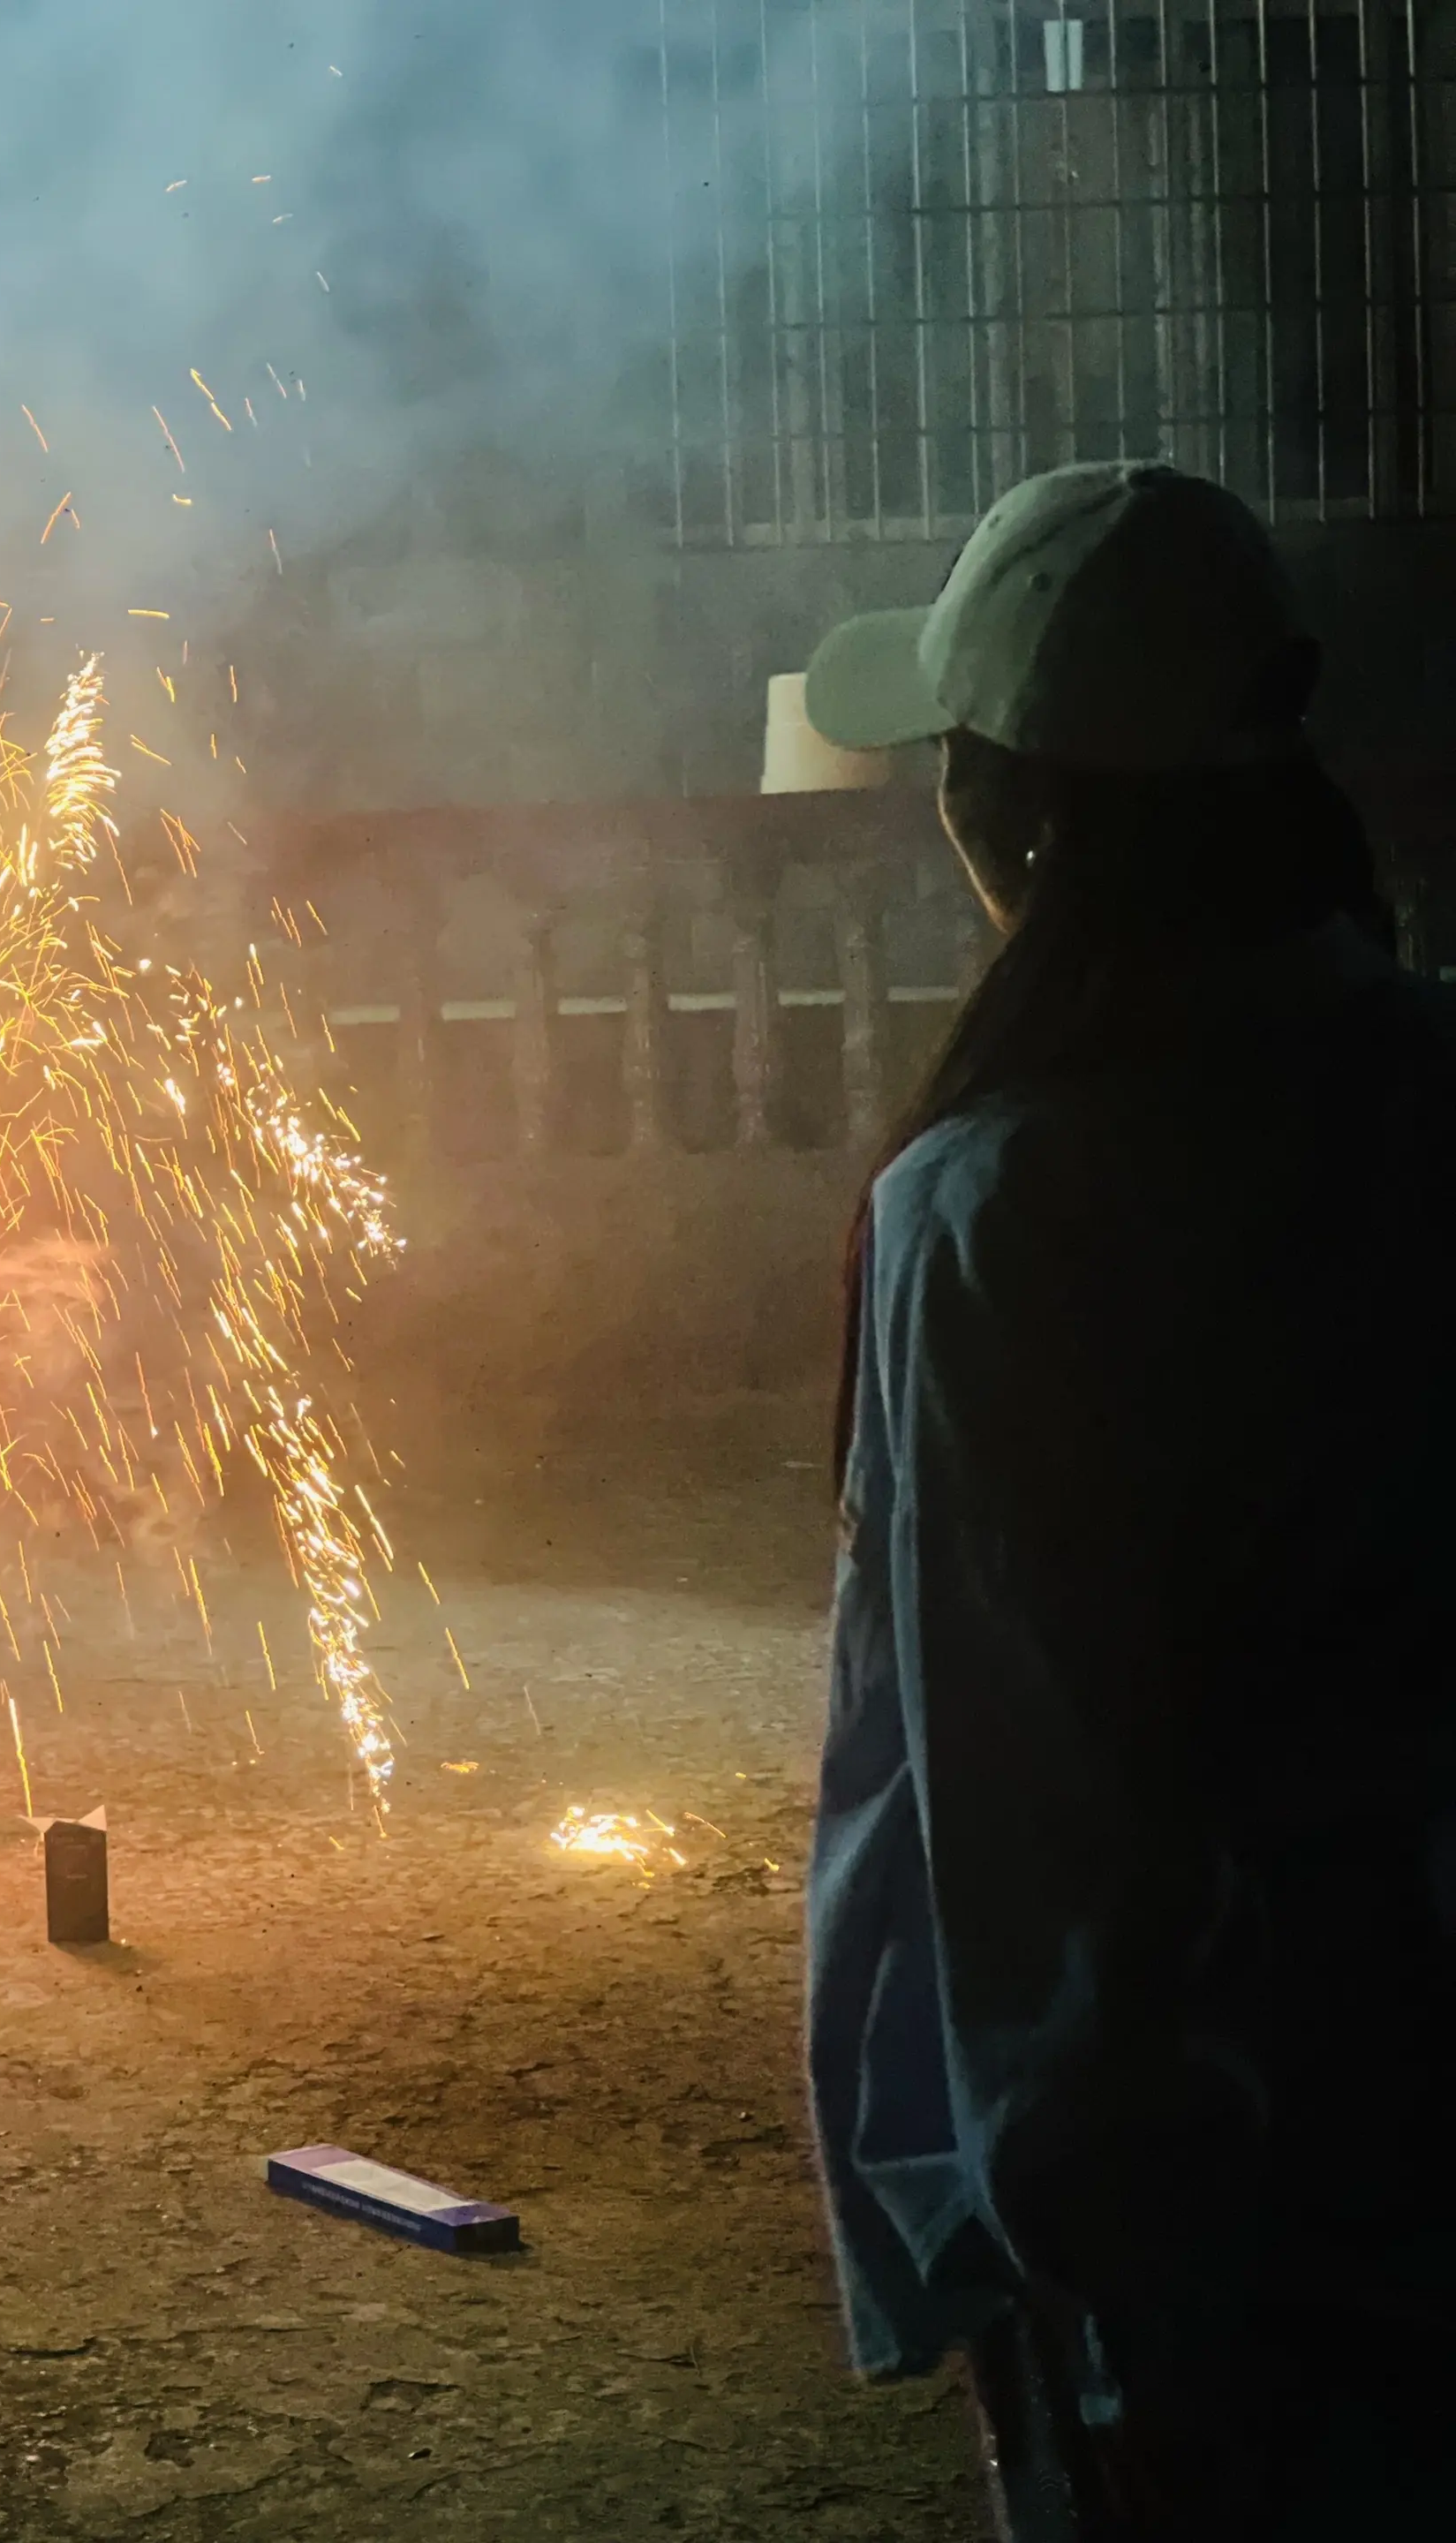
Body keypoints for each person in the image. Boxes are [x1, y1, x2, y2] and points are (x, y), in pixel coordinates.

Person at [800, 460, 1456, 2540]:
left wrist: (1112, 2314)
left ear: (1017, 818)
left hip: (1216, 2245)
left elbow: (1038, 1813)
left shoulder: (999, 1216)